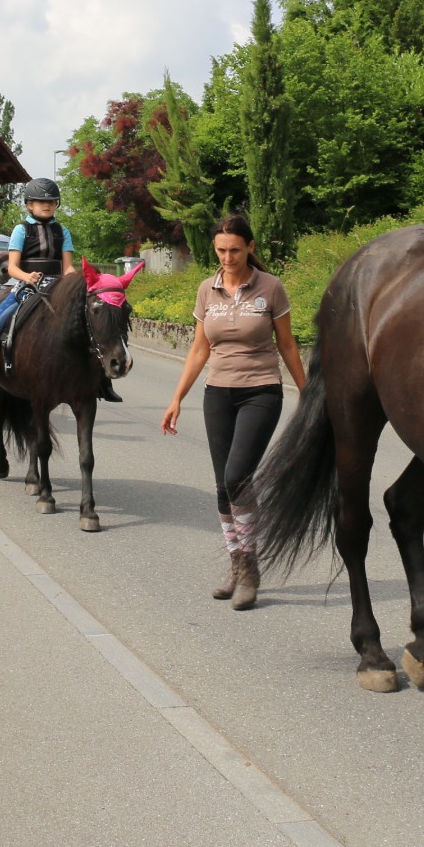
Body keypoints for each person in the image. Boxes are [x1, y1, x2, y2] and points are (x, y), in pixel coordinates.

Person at [160, 214, 306, 611]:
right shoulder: (207, 290)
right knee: (223, 485)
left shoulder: (271, 287)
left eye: (235, 250)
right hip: (217, 394)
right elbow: (199, 350)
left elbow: (288, 344)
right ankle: (236, 565)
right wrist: (176, 399)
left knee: (238, 475)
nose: (227, 257)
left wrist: (306, 393)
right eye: (221, 250)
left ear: (250, 248)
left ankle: (251, 567)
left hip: (260, 392)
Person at [0, 178, 123, 405]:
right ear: (29, 204)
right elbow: (14, 267)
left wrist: (75, 282)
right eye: (39, 201)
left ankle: (103, 381)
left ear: (56, 204)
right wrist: (27, 277)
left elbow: (67, 266)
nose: (46, 205)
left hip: (58, 286)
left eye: (50, 201)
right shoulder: (21, 230)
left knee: (90, 324)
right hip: (27, 285)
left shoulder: (62, 231)